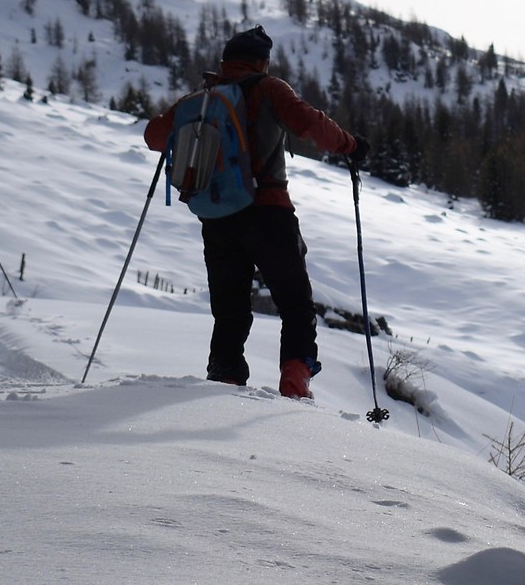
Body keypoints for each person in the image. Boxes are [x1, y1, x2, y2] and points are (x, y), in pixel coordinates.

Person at [144, 25, 366, 399]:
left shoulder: (200, 98)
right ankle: (295, 378)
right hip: (269, 214)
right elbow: (310, 124)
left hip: (216, 218)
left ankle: (226, 376)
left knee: (229, 308)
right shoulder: (269, 89)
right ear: (262, 61)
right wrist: (352, 145)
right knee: (295, 302)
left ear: (226, 61)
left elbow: (154, 136)